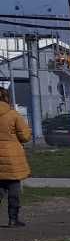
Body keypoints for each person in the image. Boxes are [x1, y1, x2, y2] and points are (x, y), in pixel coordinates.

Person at [0, 84, 30, 227]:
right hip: (11, 158)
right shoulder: (13, 115)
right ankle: (13, 219)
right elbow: (25, 136)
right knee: (13, 190)